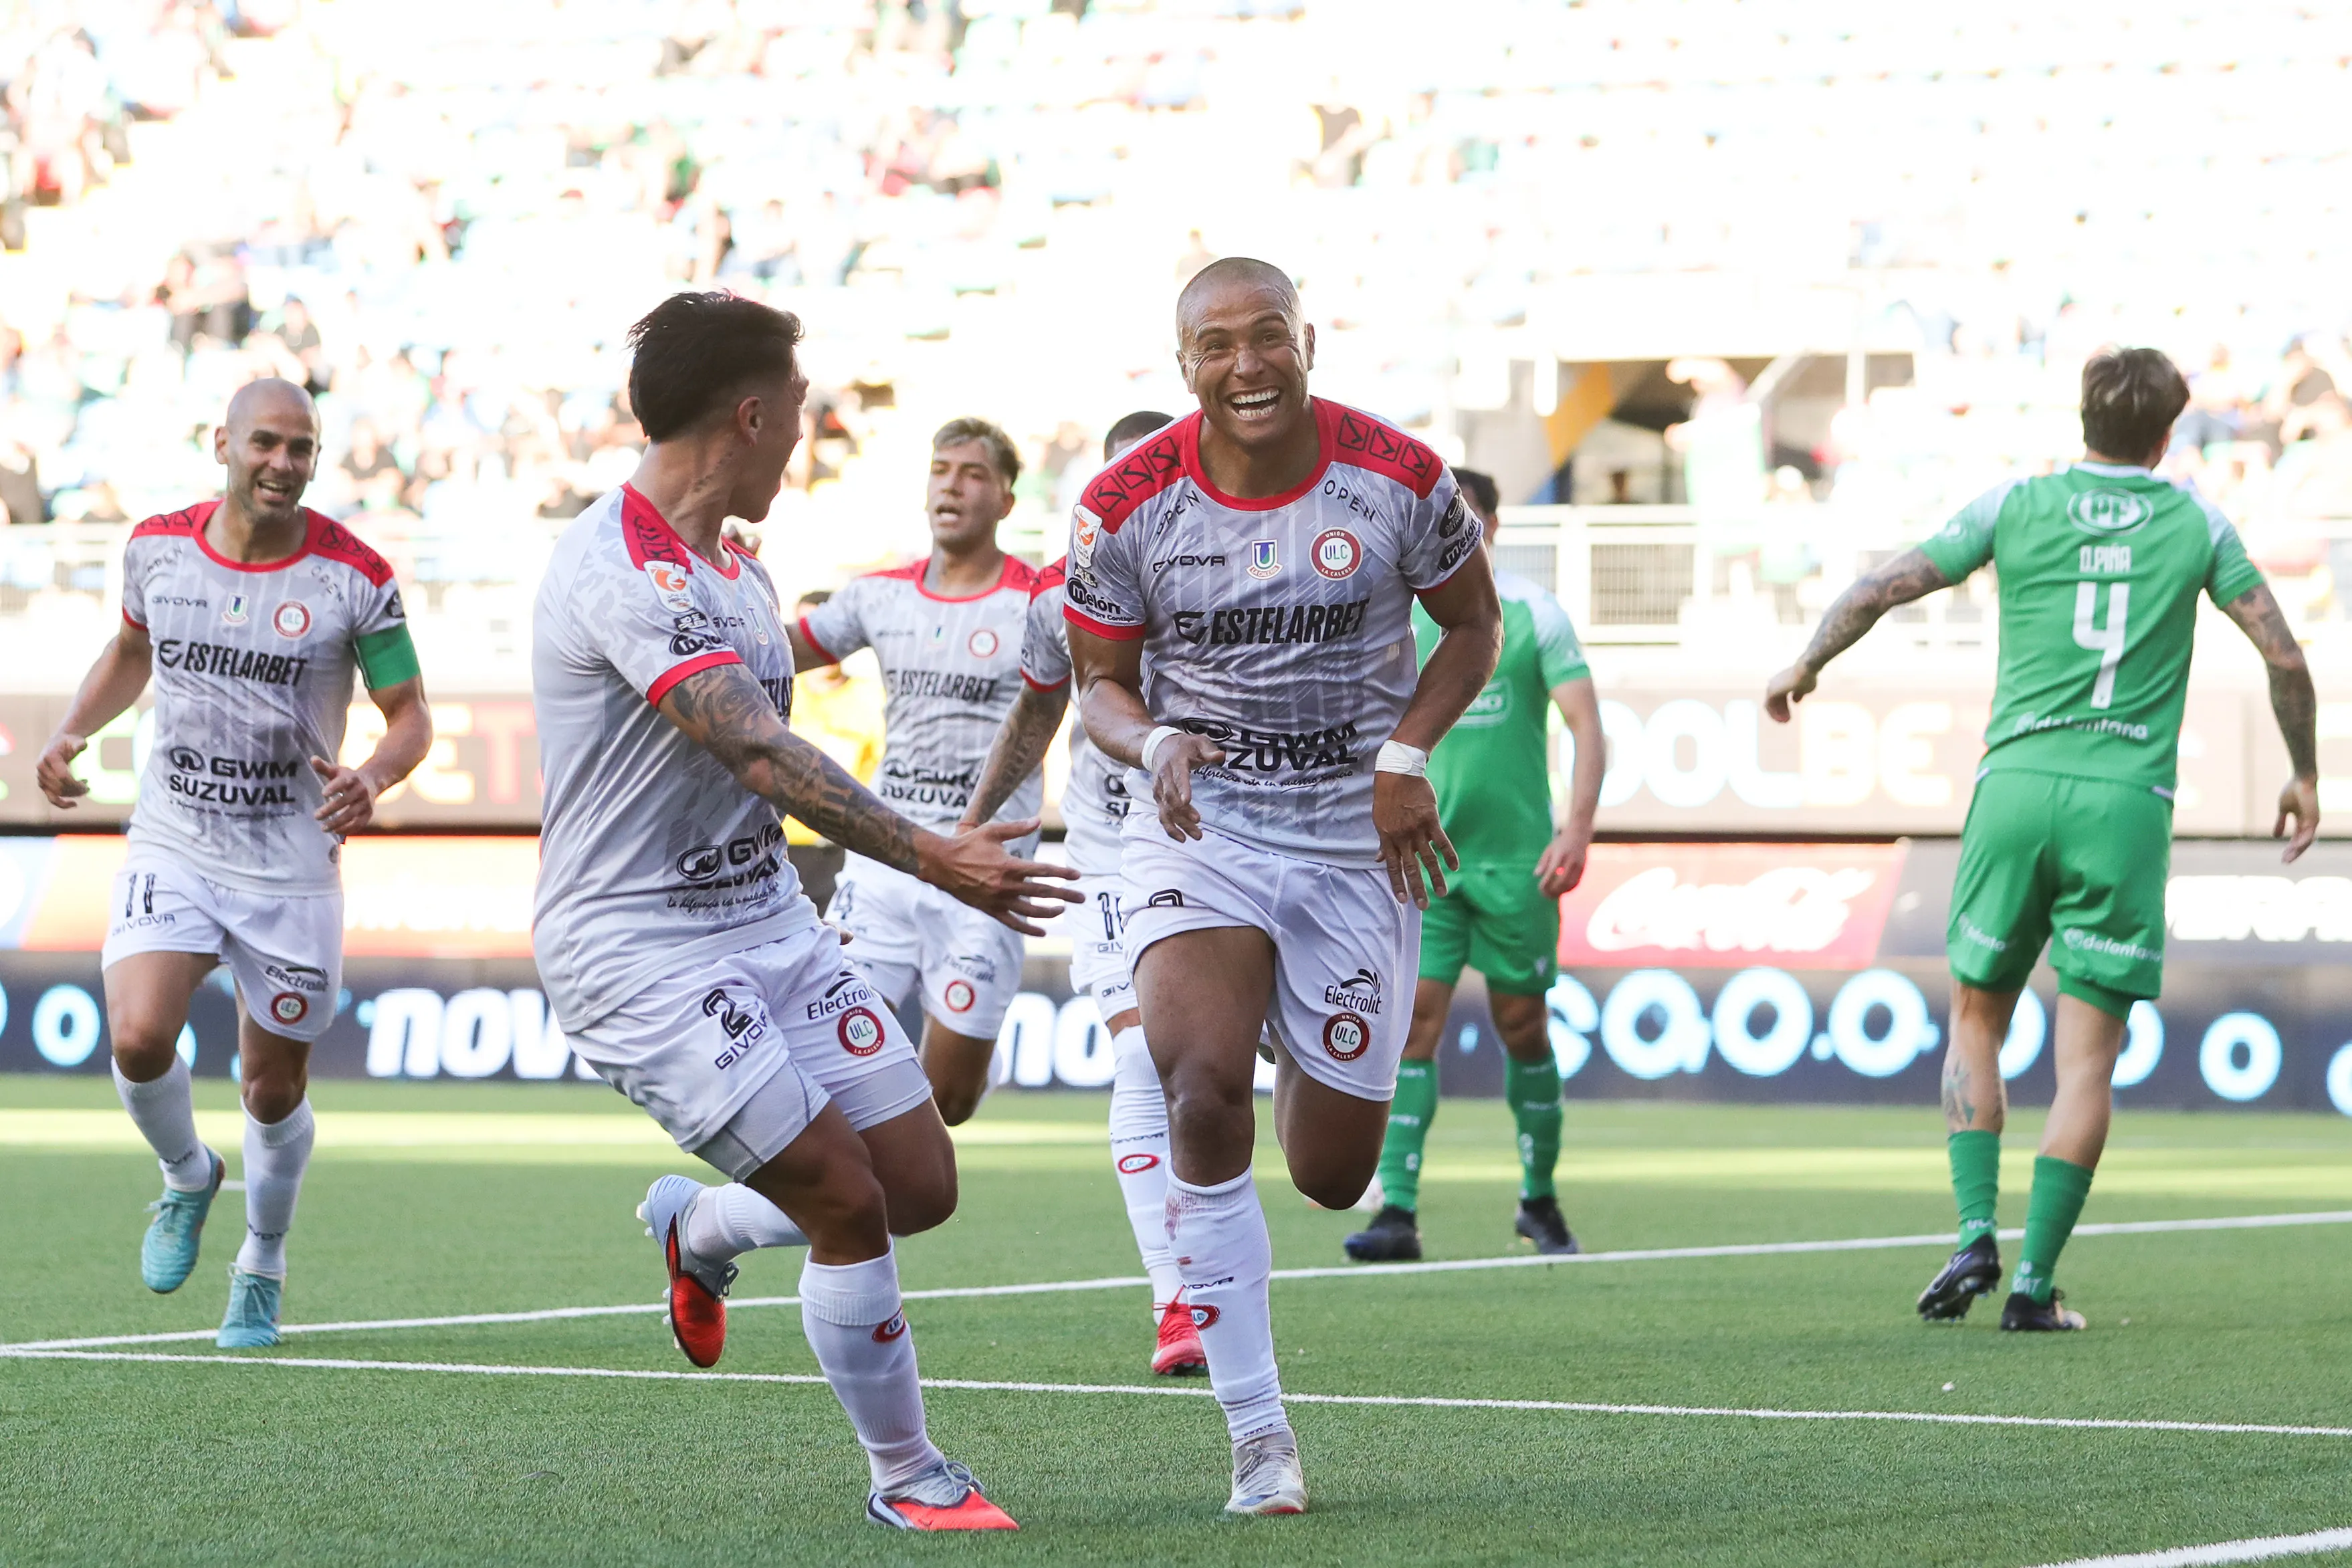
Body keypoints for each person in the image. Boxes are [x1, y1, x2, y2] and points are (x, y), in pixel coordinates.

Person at [531, 292, 1073, 1531]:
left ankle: (701, 1229)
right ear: (753, 411)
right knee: (842, 1194)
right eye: (804, 412)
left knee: (919, 1182)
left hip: (767, 924)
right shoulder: (620, 562)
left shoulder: (736, 560)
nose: (808, 436)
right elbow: (762, 755)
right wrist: (936, 855)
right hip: (638, 951)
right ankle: (909, 1477)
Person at [1064, 257, 1502, 1513]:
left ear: (1308, 341)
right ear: (1182, 363)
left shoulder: (1399, 476)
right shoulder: (1122, 503)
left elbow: (1473, 628)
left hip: (1352, 847)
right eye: (1216, 345)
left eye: (1267, 338)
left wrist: (1405, 755)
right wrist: (1149, 740)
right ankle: (1259, 1436)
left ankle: (1289, 1015)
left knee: (1325, 1173)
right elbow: (1096, 681)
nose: (1245, 364)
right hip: (1198, 833)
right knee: (1196, 1086)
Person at [1763, 346, 2319, 1333]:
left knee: (1977, 1019)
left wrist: (1804, 663)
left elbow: (1882, 587)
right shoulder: (2197, 520)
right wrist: (2302, 771)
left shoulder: (2012, 505)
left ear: (2082, 422)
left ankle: (1974, 1227)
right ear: (2165, 434)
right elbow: (2282, 652)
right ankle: (2032, 1286)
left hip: (2014, 787)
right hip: (2124, 802)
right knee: (2087, 1064)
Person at [34, 378, 431, 1349]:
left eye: (302, 450)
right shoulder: (158, 548)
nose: (284, 465)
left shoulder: (355, 575)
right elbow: (131, 649)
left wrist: (375, 775)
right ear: (223, 443)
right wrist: (73, 730)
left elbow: (411, 714)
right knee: (135, 1037)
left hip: (290, 866)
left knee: (272, 1089)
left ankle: (262, 1261)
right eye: (267, 443)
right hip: (176, 836)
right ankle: (185, 1175)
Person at [956, 407, 1209, 1379]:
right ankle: (1174, 1297)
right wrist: (976, 823)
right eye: (1111, 485)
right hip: (1111, 848)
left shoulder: (1232, 570)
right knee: (1142, 1056)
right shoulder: (1064, 592)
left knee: (1228, 1080)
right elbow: (1034, 711)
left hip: (1227, 842)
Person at [1343, 467, 1605, 1263]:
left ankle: (1539, 1198)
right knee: (1413, 1024)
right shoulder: (1391, 614)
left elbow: (1586, 726)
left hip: (1518, 862)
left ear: (1490, 526)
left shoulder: (1535, 613)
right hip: (1424, 858)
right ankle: (1398, 1210)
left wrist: (1578, 829)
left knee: (1522, 1028)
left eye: (1467, 516)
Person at [786, 419, 1045, 1125]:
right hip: (887, 862)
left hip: (984, 872)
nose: (951, 484)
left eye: (971, 473)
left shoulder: (1040, 601)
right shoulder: (879, 594)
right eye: (940, 469)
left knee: (949, 1104)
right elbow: (782, 654)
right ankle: (838, 1223)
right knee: (834, 1071)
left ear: (1005, 501)